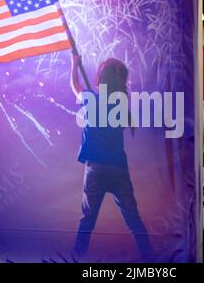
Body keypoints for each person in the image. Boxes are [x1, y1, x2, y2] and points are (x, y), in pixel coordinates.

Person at [70, 54, 153, 261]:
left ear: (101, 78)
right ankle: (150, 258)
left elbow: (75, 86)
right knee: (133, 219)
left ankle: (76, 258)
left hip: (95, 168)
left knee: (87, 219)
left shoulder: (91, 98)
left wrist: (74, 65)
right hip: (118, 169)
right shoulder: (122, 106)